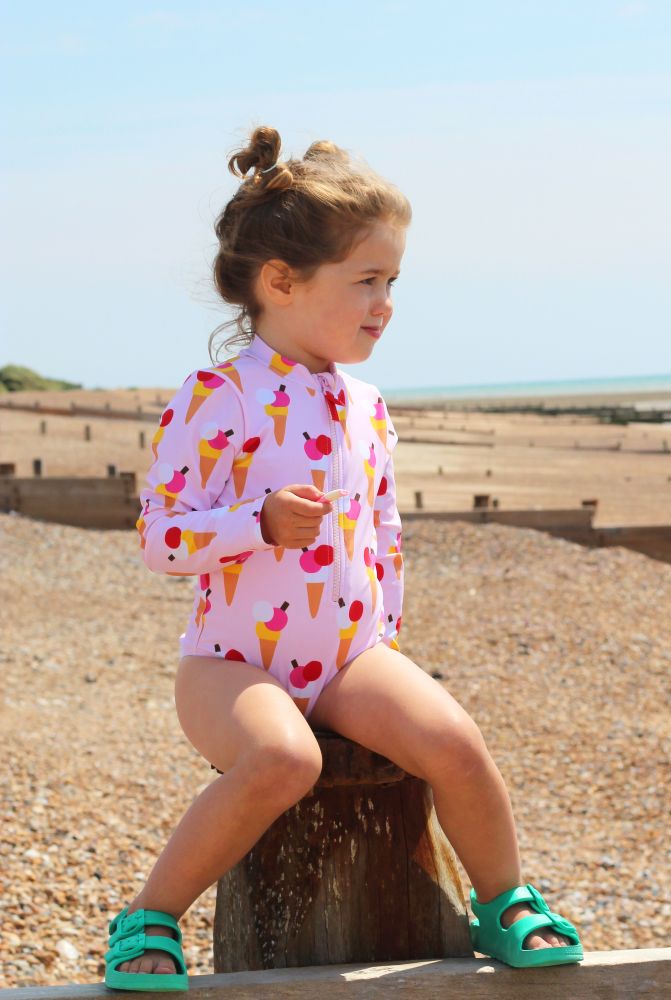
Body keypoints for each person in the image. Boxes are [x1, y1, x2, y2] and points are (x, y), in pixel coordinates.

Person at [103, 126, 583, 992]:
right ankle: (151, 915)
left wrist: (386, 643)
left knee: (455, 742)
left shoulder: (365, 404)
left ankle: (506, 897)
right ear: (280, 282)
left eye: (392, 281)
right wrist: (256, 521)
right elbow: (159, 538)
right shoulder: (221, 396)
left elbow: (383, 533)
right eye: (366, 280)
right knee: (286, 761)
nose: (385, 302)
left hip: (348, 656)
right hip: (231, 663)